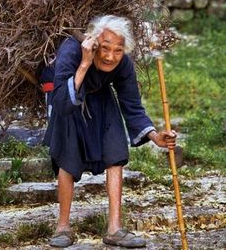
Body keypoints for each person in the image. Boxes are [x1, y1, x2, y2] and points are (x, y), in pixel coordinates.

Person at [43, 15, 176, 248]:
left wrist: (155, 136)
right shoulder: (71, 51)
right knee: (68, 157)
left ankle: (114, 228)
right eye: (104, 48)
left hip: (102, 99)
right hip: (70, 99)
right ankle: (63, 226)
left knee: (115, 152)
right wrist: (84, 63)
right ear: (93, 42)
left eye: (117, 50)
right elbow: (62, 101)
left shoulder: (123, 63)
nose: (109, 56)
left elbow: (132, 105)